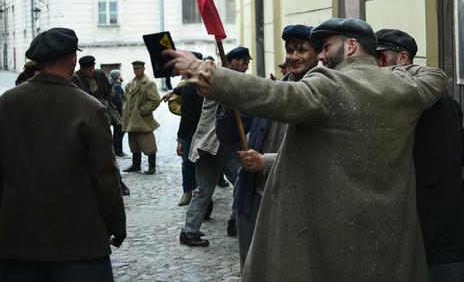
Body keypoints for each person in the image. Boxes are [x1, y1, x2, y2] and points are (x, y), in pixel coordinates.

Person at [165, 18, 446, 281]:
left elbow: (275, 94)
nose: (321, 56)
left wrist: (207, 72)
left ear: (350, 46)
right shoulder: (406, 86)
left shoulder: (330, 84)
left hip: (331, 241)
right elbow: (435, 75)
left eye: (326, 47)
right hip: (388, 239)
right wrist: (385, 70)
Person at [0, 27, 126, 282]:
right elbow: (105, 177)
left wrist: (5, 217)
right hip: (79, 243)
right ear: (73, 59)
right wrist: (116, 225)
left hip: (19, 240)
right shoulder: (89, 108)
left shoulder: (5, 103)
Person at [217, 25, 318, 269]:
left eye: (302, 50)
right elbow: (228, 135)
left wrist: (267, 161)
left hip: (295, 205)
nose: (294, 57)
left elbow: (317, 155)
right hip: (253, 198)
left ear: (317, 55)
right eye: (290, 50)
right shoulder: (270, 92)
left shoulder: (321, 95)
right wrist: (227, 100)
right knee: (253, 268)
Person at [376, 28, 464, 281]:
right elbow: (461, 153)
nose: (375, 66)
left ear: (403, 58)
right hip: (445, 229)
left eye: (381, 58)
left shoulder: (408, 103)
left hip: (423, 232)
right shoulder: (443, 99)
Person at [178, 47, 250, 247]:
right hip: (211, 145)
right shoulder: (218, 79)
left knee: (242, 182)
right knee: (205, 190)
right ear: (232, 61)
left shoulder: (232, 79)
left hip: (227, 146)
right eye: (243, 62)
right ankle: (189, 232)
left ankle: (234, 223)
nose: (246, 67)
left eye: (247, 63)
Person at [72, 56, 130, 196]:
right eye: (88, 68)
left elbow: (110, 92)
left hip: (104, 115)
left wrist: (102, 102)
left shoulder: (100, 75)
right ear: (82, 68)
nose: (91, 70)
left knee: (108, 150)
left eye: (93, 67)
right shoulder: (76, 79)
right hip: (86, 118)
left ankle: (119, 183)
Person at [162, 52, 205, 206]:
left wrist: (180, 139)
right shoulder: (204, 83)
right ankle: (192, 192)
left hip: (194, 132)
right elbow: (183, 89)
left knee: (188, 163)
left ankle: (192, 193)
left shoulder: (190, 89)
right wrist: (173, 92)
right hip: (203, 132)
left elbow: (187, 118)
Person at [122, 61, 161, 175]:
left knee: (148, 144)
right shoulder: (130, 83)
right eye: (135, 68)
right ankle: (136, 165)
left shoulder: (148, 83)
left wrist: (143, 111)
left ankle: (152, 166)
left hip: (142, 119)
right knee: (134, 144)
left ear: (143, 69)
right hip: (131, 118)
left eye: (139, 68)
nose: (137, 70)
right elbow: (126, 99)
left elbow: (155, 100)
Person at [109, 70, 127, 158]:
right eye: (120, 75)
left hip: (115, 113)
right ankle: (119, 151)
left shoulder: (112, 85)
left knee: (117, 132)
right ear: (117, 76)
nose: (121, 76)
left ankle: (115, 150)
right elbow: (119, 102)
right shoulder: (117, 87)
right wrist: (122, 113)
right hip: (118, 113)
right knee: (120, 132)